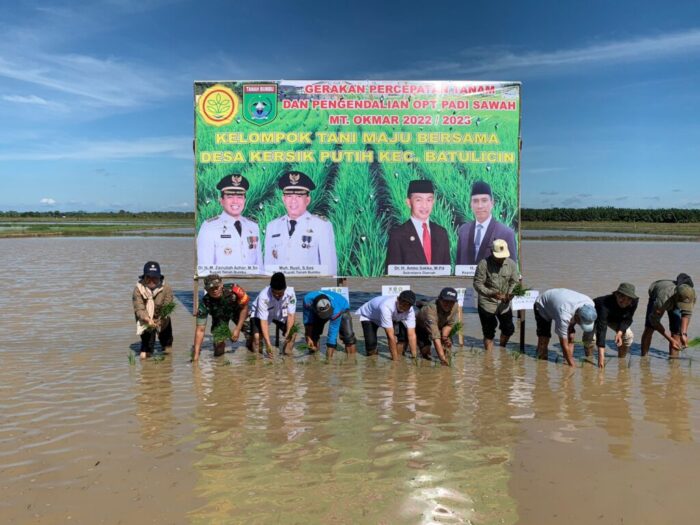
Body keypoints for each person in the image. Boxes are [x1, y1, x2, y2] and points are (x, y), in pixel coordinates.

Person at [264, 171, 337, 275]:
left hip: (308, 289)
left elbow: (330, 271)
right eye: (289, 195)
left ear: (307, 200)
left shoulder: (322, 226)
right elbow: (268, 268)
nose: (293, 200)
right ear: (283, 199)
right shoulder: (272, 226)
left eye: (299, 195)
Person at [196, 173, 262, 274]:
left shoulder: (253, 226)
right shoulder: (209, 227)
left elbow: (259, 267)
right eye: (230, 196)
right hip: (224, 287)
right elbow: (204, 270)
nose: (235, 201)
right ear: (221, 200)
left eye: (240, 196)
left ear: (245, 200)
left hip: (251, 287)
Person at [386, 179, 450, 269]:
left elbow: (446, 271)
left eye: (429, 200)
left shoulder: (441, 233)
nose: (424, 206)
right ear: (409, 203)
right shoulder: (398, 235)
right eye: (418, 200)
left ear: (433, 202)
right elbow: (392, 276)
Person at [456, 181, 517, 266]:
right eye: (475, 201)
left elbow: (512, 271)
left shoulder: (506, 234)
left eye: (484, 200)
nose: (480, 206)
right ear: (471, 204)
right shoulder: (463, 231)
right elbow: (458, 264)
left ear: (492, 203)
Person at [473, 239, 519, 351]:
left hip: (504, 304)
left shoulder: (511, 264)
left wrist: (510, 294)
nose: (501, 259)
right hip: (487, 303)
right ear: (492, 252)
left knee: (509, 329)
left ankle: (502, 348)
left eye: (503, 256)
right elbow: (477, 283)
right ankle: (488, 358)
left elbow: (515, 282)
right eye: (499, 256)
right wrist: (492, 294)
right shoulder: (483, 264)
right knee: (489, 332)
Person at [534, 288, 597, 367]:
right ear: (577, 316)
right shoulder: (564, 315)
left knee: (571, 336)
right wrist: (572, 365)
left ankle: (566, 361)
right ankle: (541, 363)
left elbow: (569, 337)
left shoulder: (590, 304)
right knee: (544, 338)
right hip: (543, 304)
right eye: (581, 323)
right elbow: (563, 344)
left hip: (562, 302)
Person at [193, 274, 250, 361]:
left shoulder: (234, 290)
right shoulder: (205, 303)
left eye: (216, 287)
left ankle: (252, 357)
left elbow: (245, 307)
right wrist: (196, 355)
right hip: (219, 317)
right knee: (218, 344)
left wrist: (237, 329)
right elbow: (200, 330)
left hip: (237, 312)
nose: (215, 291)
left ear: (221, 285)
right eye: (211, 289)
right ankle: (219, 367)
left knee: (254, 335)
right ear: (206, 289)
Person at [641, 274, 696, 358]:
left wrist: (684, 334)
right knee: (650, 327)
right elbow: (654, 321)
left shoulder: (691, 295)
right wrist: (670, 339)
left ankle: (674, 363)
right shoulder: (663, 299)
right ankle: (644, 358)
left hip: (677, 297)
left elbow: (687, 314)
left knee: (676, 332)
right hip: (657, 293)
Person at [585, 283, 639, 368]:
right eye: (622, 297)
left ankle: (621, 361)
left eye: (628, 299)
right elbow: (602, 329)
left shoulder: (634, 302)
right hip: (596, 316)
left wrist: (619, 333)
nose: (625, 302)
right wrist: (601, 357)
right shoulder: (604, 304)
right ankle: (588, 360)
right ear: (616, 294)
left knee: (628, 336)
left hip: (615, 318)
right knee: (591, 339)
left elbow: (628, 319)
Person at [356, 290, 418, 360]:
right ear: (398, 299)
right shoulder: (386, 306)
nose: (404, 307)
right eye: (403, 303)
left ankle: (399, 356)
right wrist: (395, 361)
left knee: (403, 337)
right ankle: (372, 364)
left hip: (392, 317)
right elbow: (390, 336)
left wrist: (414, 356)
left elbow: (412, 335)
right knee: (371, 345)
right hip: (369, 317)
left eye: (408, 305)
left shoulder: (410, 310)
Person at [247, 272, 298, 355]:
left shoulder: (291, 293)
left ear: (285, 289)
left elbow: (291, 315)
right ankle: (256, 360)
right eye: (275, 293)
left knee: (293, 333)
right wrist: (268, 344)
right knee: (257, 338)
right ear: (271, 289)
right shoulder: (263, 296)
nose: (277, 296)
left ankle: (287, 356)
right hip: (259, 314)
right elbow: (263, 321)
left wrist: (288, 331)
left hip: (280, 314)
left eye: (280, 293)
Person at [132, 261, 174, 359]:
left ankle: (166, 368)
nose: (152, 280)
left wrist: (160, 321)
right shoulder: (138, 289)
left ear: (159, 277)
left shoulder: (166, 288)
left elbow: (168, 306)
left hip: (162, 319)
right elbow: (139, 309)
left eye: (155, 277)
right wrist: (148, 320)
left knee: (167, 347)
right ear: (144, 277)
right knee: (145, 353)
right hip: (145, 320)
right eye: (149, 277)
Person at [302, 290, 357, 359]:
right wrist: (308, 337)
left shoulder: (336, 310)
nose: (326, 316)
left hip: (342, 307)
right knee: (313, 335)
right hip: (317, 310)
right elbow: (308, 321)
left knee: (348, 337)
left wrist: (328, 360)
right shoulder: (307, 300)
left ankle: (351, 361)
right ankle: (313, 359)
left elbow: (332, 336)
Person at [415, 287, 460, 365]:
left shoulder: (455, 306)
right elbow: (435, 337)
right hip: (422, 326)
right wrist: (442, 359)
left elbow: (449, 325)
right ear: (440, 299)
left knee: (446, 346)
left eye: (451, 302)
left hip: (440, 325)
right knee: (426, 352)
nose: (448, 304)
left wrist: (444, 337)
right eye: (445, 301)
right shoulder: (431, 309)